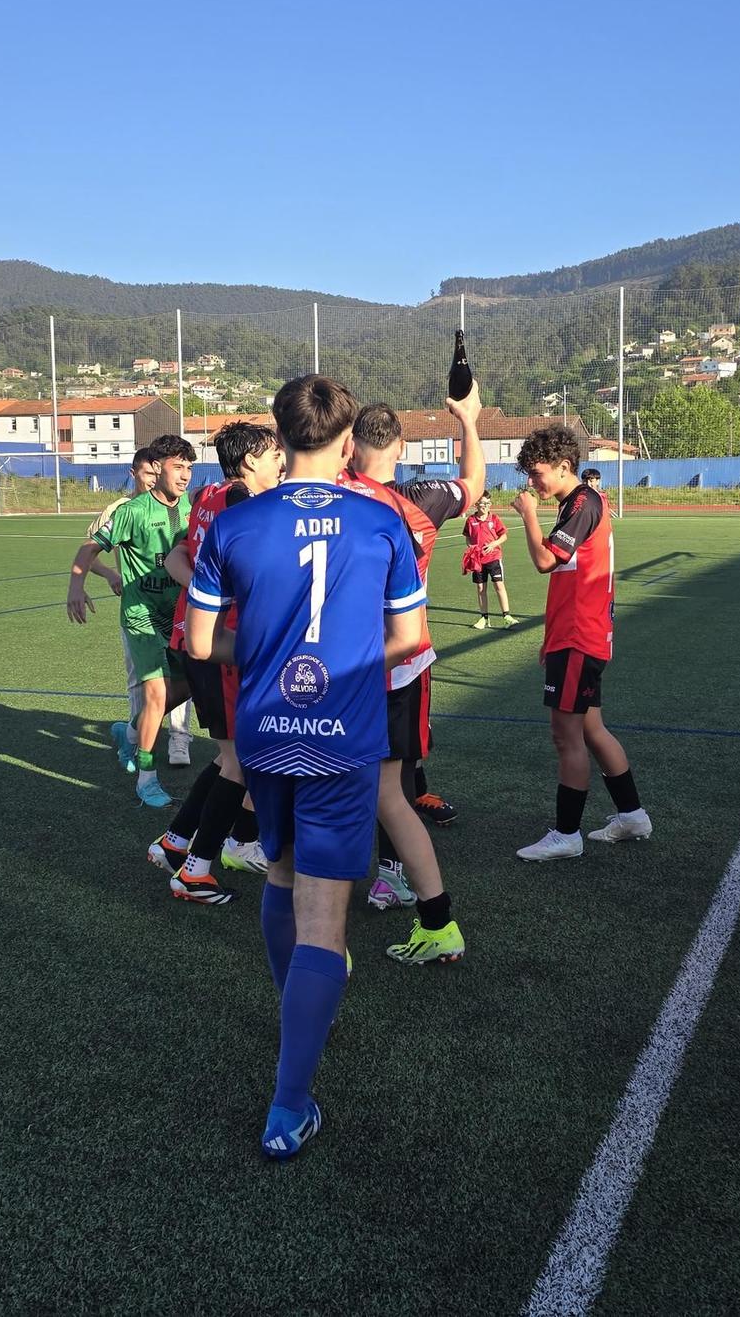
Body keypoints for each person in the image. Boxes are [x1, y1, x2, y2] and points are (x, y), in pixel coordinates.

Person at [185, 374, 429, 1159]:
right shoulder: (381, 520)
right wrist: (341, 661)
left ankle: (301, 1019)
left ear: (278, 437)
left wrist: (258, 653)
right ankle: (289, 1107)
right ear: (350, 440)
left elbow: (196, 644)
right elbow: (410, 638)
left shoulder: (234, 522)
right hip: (343, 737)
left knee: (281, 882)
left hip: (264, 734)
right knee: (326, 918)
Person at [339, 391, 482, 957]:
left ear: (349, 447)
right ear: (399, 446)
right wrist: (468, 420)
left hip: (335, 669)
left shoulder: (327, 498)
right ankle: (414, 899)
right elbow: (472, 483)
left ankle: (372, 895)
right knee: (388, 789)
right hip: (399, 663)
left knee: (351, 789)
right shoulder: (420, 499)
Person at [151, 421, 282, 902]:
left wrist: (198, 589)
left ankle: (176, 841)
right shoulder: (244, 504)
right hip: (221, 643)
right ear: (249, 460)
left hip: (197, 636)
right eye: (272, 455)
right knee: (241, 763)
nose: (281, 463)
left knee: (230, 757)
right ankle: (196, 869)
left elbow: (178, 554)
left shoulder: (208, 495)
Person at [511, 424, 651, 860]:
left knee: (566, 735)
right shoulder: (578, 502)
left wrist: (528, 514)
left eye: (537, 474)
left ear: (564, 466)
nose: (532, 483)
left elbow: (545, 561)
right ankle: (632, 815)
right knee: (590, 728)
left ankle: (566, 835)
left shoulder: (583, 502)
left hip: (579, 637)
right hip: (574, 635)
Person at [71, 435, 196, 808]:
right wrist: (76, 586)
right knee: (156, 695)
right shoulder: (131, 511)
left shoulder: (195, 507)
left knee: (188, 687)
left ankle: (129, 731)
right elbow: (89, 547)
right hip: (141, 617)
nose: (185, 474)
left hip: (180, 617)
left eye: (189, 467)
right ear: (156, 470)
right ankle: (146, 777)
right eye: (178, 466)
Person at [463, 492, 517, 629]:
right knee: (481, 588)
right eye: (483, 503)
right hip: (478, 561)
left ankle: (506, 616)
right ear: (476, 504)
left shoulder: (494, 519)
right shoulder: (470, 520)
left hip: (493, 558)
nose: (486, 506)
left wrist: (493, 544)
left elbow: (503, 536)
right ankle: (483, 618)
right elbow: (468, 537)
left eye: (488, 503)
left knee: (499, 585)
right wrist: (471, 546)